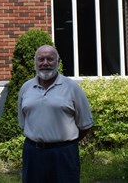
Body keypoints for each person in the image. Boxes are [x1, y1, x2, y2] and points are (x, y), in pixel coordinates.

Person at [18, 45, 93, 183]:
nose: (45, 63)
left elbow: (85, 125)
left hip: (63, 154)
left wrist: (65, 144)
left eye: (50, 59)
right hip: (33, 153)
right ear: (35, 62)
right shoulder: (26, 88)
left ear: (57, 61)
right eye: (41, 59)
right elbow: (23, 122)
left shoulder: (72, 88)